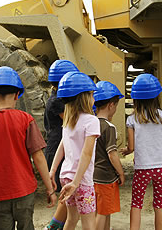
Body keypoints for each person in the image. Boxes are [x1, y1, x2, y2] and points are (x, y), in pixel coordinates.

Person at [0, 66, 57, 230]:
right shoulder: (26, 120)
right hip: (24, 192)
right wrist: (49, 189)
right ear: (18, 95)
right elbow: (38, 156)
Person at [49, 71, 100, 230]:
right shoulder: (91, 121)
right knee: (89, 223)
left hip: (66, 177)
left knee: (71, 219)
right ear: (84, 97)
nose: (93, 98)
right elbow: (87, 153)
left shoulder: (69, 121)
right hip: (81, 181)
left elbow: (62, 146)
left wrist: (53, 170)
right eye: (92, 94)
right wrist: (77, 182)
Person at [121, 73, 162, 230]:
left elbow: (132, 147)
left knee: (136, 203)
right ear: (156, 96)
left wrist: (126, 151)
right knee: (159, 203)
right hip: (161, 166)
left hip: (143, 168)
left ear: (135, 98)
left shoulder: (132, 119)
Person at [44, 60, 79, 230]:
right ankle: (53, 227)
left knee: (67, 197)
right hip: (57, 151)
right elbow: (71, 121)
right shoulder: (57, 101)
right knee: (65, 196)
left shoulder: (57, 96)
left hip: (60, 149)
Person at [93, 81, 125, 230]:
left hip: (92, 176)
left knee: (97, 210)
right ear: (111, 104)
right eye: (116, 106)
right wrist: (121, 172)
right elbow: (112, 154)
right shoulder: (109, 127)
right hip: (106, 177)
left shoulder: (90, 123)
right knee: (103, 212)